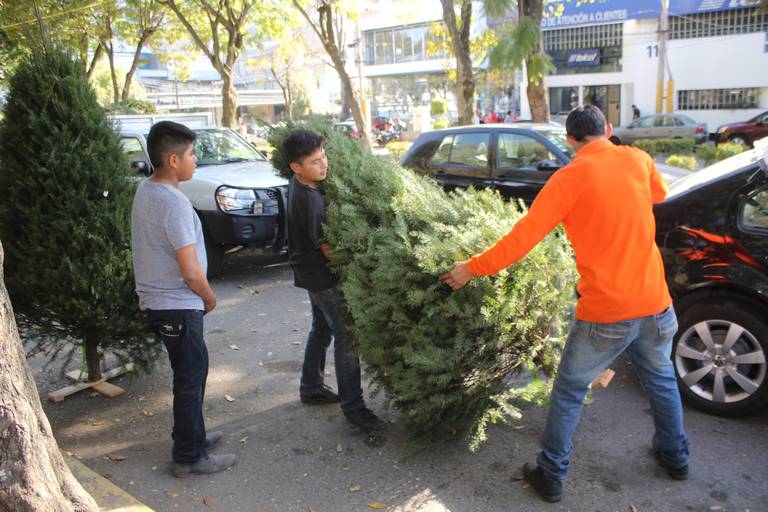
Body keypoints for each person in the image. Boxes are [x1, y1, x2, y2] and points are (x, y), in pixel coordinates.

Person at [440, 105, 689, 503]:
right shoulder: (637, 159)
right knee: (661, 379)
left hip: (608, 312)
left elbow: (523, 238)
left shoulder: (569, 177)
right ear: (607, 130)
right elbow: (660, 193)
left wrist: (472, 268)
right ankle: (676, 459)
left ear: (570, 140)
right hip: (657, 304)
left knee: (570, 391)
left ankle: (551, 474)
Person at [131, 121, 237, 478]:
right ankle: (189, 456)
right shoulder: (172, 202)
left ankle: (193, 437)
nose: (196, 160)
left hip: (166, 302)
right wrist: (208, 297)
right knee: (191, 379)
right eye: (192, 154)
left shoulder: (148, 188)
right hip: (177, 304)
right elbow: (191, 271)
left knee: (191, 374)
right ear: (173, 160)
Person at [283, 129, 385, 431]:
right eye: (315, 162)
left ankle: (311, 386)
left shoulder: (300, 184)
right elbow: (326, 247)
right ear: (296, 167)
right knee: (347, 335)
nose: (324, 165)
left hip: (307, 274)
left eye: (324, 157)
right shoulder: (311, 201)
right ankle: (353, 406)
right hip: (322, 277)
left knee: (321, 328)